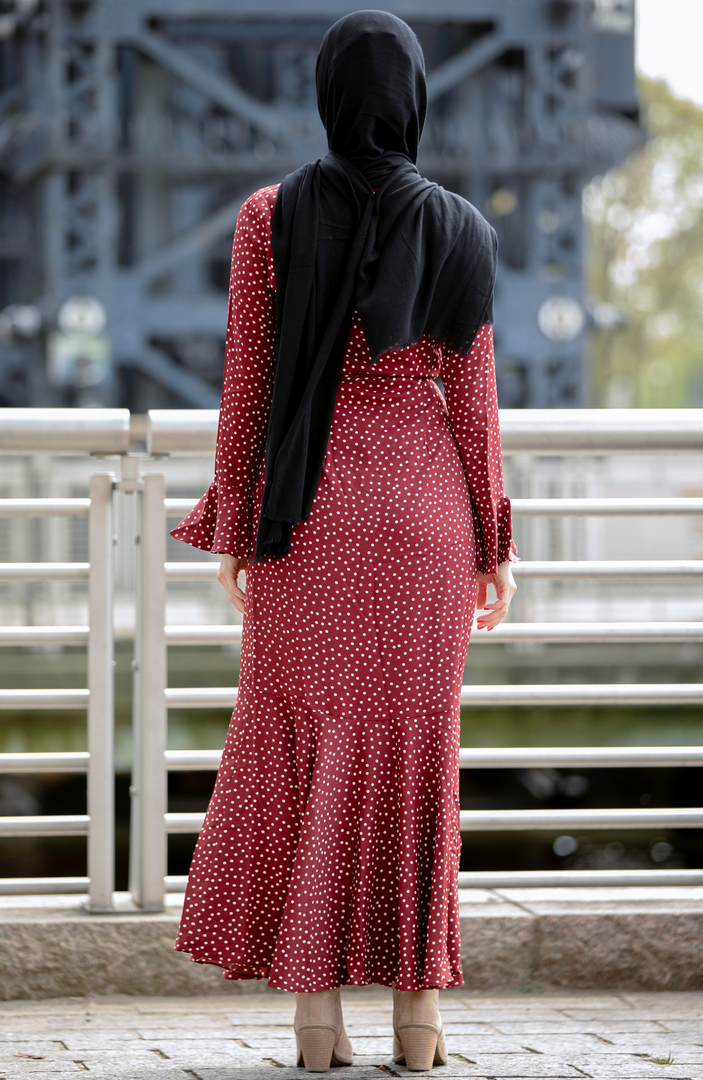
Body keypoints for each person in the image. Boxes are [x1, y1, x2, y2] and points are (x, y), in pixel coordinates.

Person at [169, 9, 517, 1073]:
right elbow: (476, 405)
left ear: (326, 93)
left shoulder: (266, 219)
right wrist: (493, 542)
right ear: (415, 97)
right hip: (423, 518)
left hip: (306, 515)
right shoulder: (462, 226)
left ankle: (316, 1024)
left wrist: (237, 520)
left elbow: (246, 392)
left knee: (299, 755)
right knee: (419, 764)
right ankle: (420, 1025)